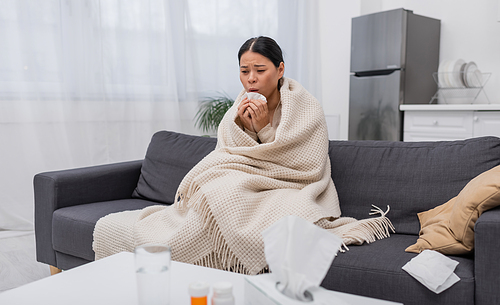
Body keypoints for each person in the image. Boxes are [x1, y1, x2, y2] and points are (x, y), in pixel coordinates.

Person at [93, 36, 393, 275]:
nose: (251, 79)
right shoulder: (239, 105)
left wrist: (263, 128)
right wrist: (246, 126)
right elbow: (228, 151)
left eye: (260, 71)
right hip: (247, 176)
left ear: (280, 70)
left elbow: (304, 162)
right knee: (215, 189)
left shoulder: (305, 106)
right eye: (244, 71)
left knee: (232, 193)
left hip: (290, 183)